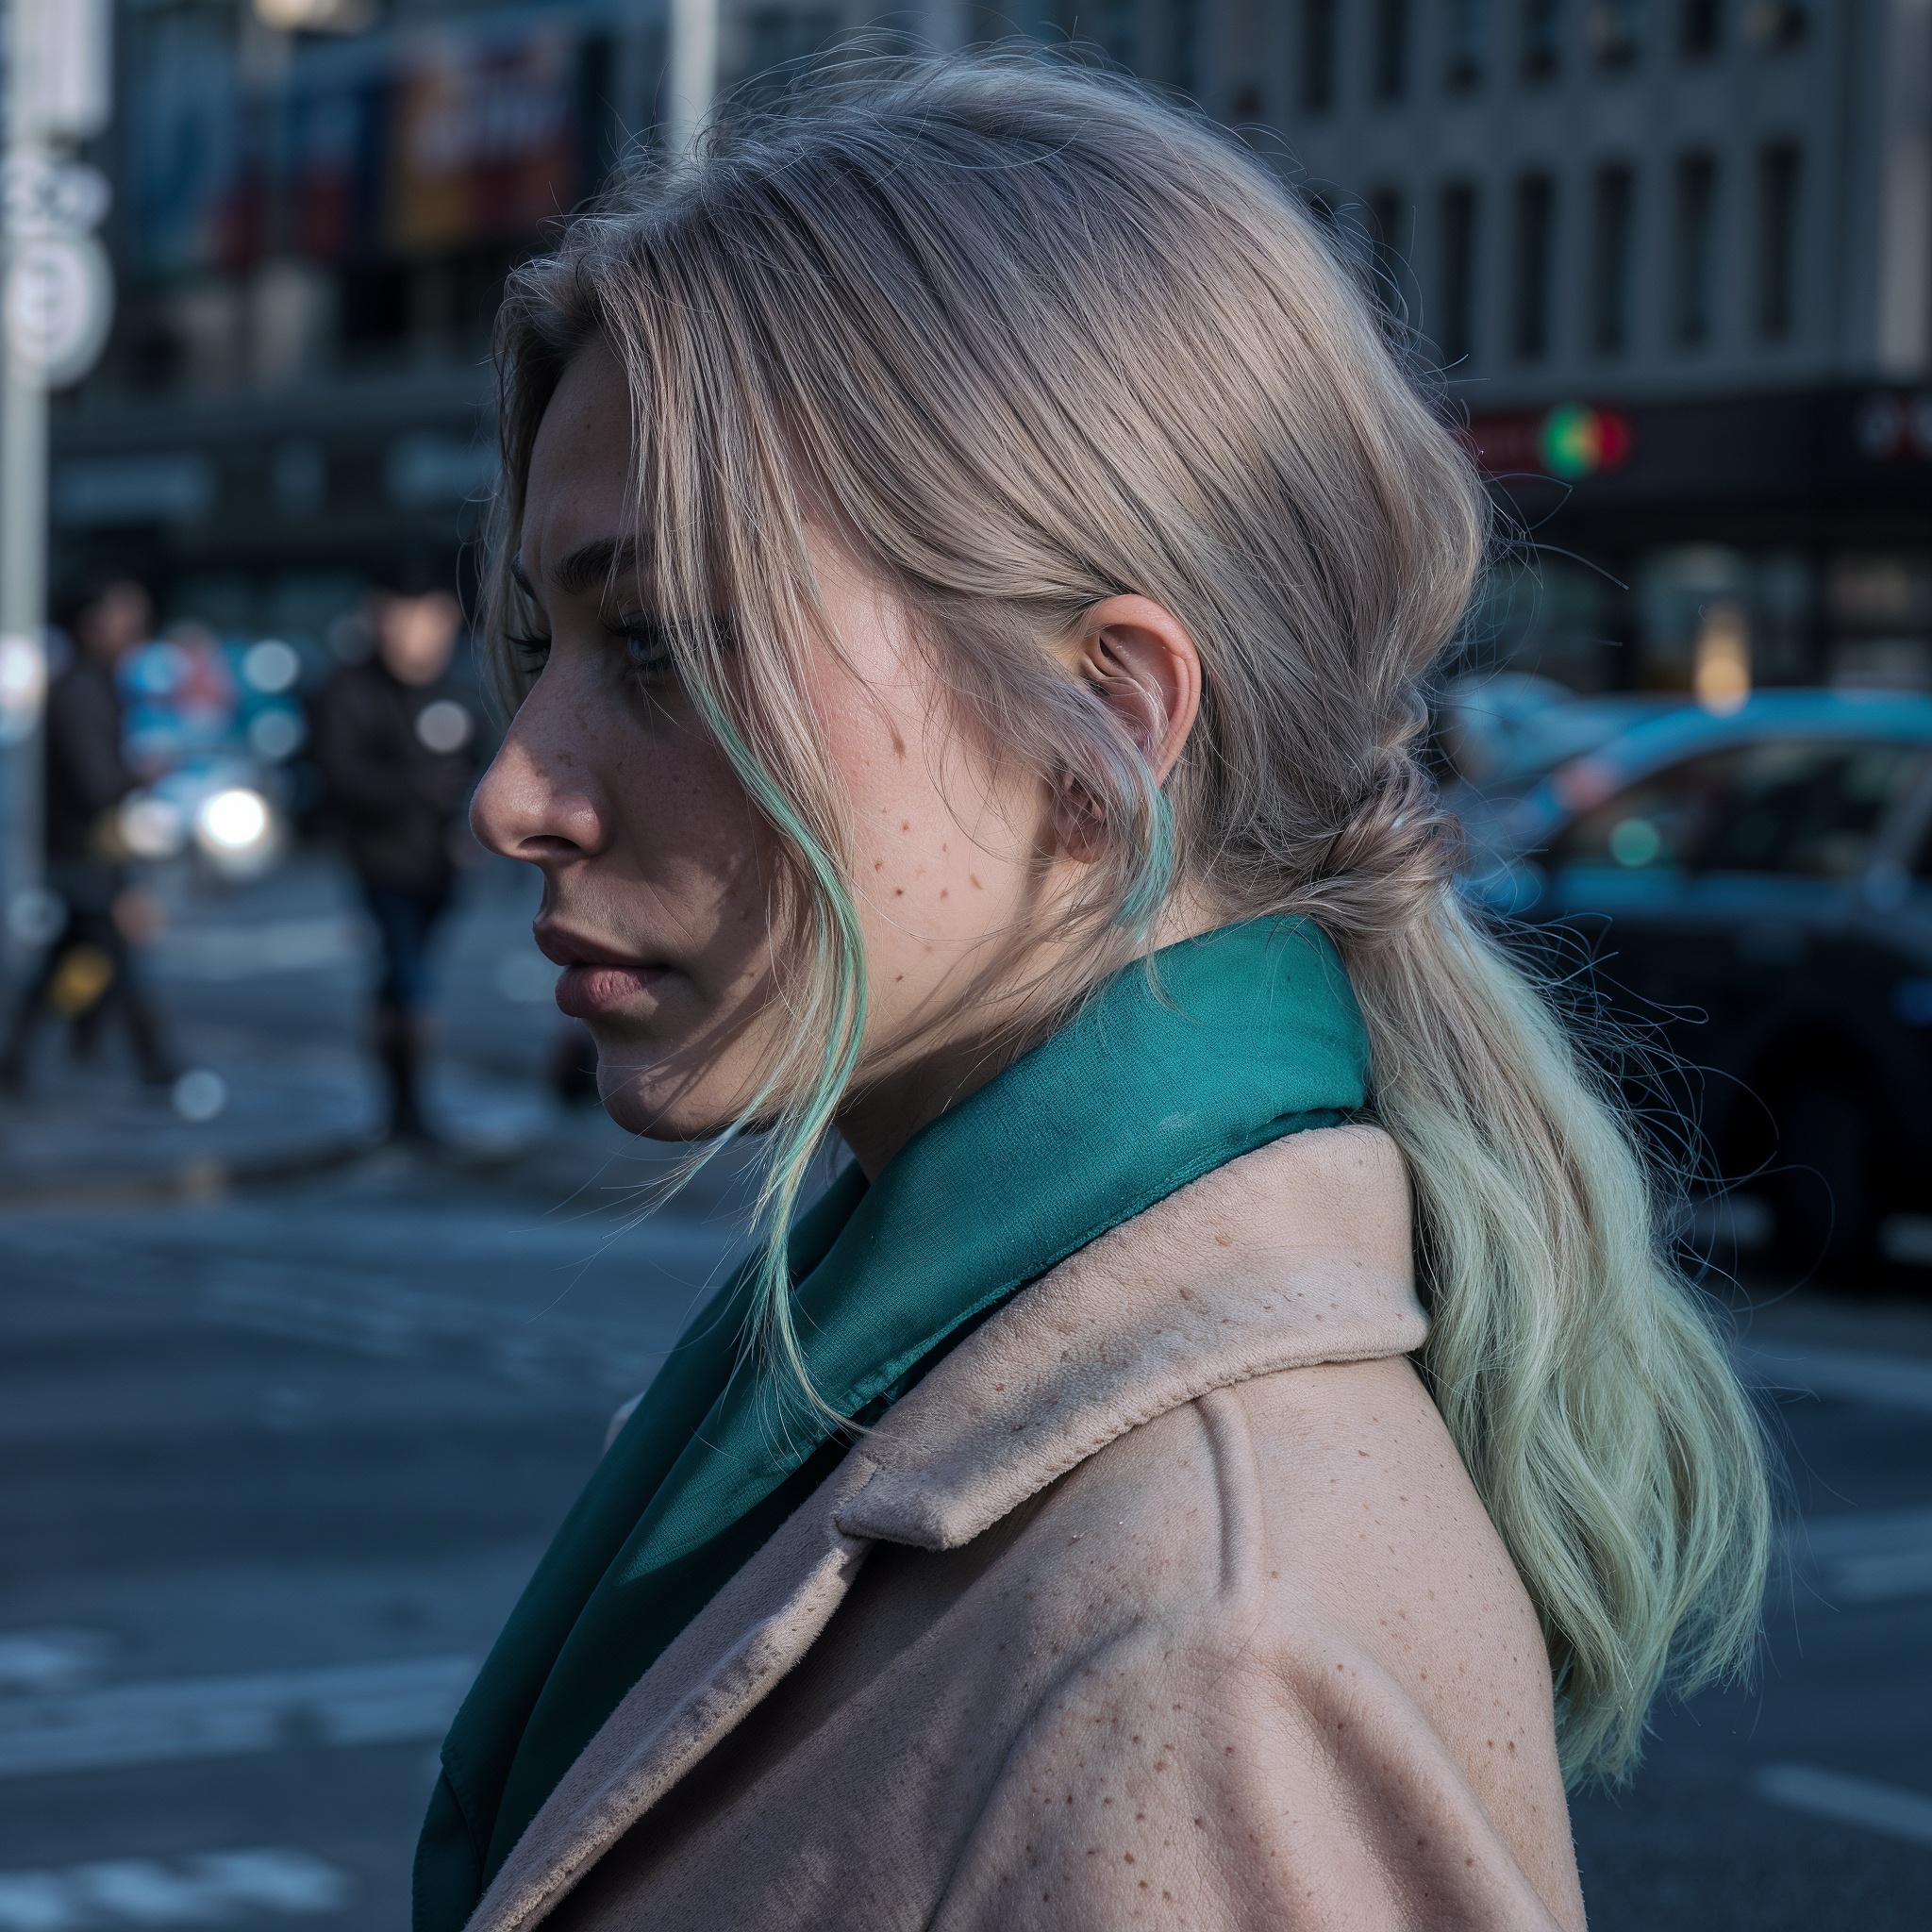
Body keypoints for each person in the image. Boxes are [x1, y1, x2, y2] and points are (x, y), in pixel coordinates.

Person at [419, 58, 1772, 1932]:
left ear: (1101, 729)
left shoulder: (1205, 1646)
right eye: (538, 642)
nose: (516, 788)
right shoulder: (975, 1366)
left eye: (659, 643)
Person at [310, 572, 477, 1141]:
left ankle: (404, 1108)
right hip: (380, 864)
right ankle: (409, 1110)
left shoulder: (460, 689)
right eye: (403, 617)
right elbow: (337, 778)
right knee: (409, 983)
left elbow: (486, 766)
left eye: (429, 618)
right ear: (377, 619)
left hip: (443, 871)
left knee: (403, 979)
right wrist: (417, 788)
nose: (416, 634)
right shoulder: (348, 691)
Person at [1, 574, 174, 1092]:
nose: (137, 625)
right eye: (125, 613)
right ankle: (158, 1068)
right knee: (113, 960)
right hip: (83, 855)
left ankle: (25, 1057)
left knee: (76, 963)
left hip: (86, 852)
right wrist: (140, 775)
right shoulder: (81, 689)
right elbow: (95, 782)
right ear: (92, 621)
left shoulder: (93, 684)